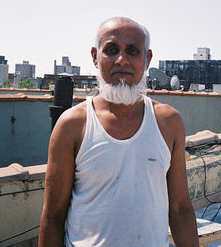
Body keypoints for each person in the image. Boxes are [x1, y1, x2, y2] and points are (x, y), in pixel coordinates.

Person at [39, 17, 199, 247]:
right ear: (95, 56)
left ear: (147, 59)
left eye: (132, 51)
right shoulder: (72, 125)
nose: (121, 60)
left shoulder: (168, 123)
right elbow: (53, 216)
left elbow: (181, 209)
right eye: (111, 50)